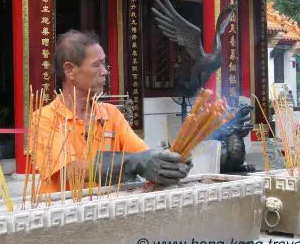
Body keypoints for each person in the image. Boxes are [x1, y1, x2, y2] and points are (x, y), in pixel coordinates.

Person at [33, 30, 192, 194]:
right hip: (66, 213)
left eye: (104, 64)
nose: (105, 71)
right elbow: (69, 170)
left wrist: (167, 160)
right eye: (96, 65)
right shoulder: (44, 118)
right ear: (70, 70)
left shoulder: (111, 114)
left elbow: (141, 154)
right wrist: (132, 163)